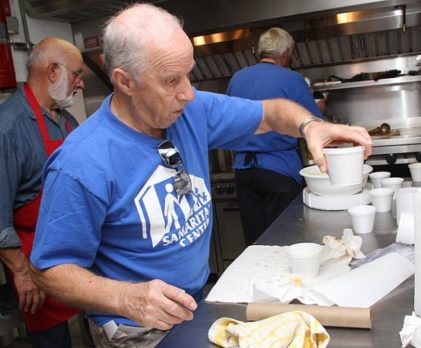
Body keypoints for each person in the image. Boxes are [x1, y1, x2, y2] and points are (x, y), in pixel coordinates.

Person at [29, 4, 372, 347]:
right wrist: (125, 297)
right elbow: (49, 270)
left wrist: (311, 125)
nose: (188, 92)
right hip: (135, 327)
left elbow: (271, 113)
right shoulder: (80, 163)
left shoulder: (191, 112)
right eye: (170, 80)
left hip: (195, 303)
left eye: (188, 74)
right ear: (124, 81)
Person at [0, 37, 85, 347]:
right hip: (35, 262)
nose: (81, 84)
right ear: (52, 71)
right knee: (53, 341)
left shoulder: (67, 122)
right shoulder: (7, 128)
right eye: (77, 74)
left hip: (77, 256)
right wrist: (22, 274)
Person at [226, 27, 324, 245]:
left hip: (244, 171)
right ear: (286, 52)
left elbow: (229, 122)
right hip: (279, 171)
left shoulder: (237, 79)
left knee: (256, 243)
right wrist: (320, 108)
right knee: (286, 241)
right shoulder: (292, 79)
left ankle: (259, 278)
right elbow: (315, 125)